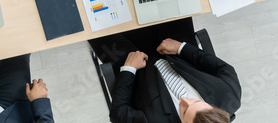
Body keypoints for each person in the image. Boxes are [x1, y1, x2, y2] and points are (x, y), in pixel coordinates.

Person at [89, 22, 239, 123]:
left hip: (135, 66)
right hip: (178, 50)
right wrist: (182, 48)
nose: (185, 101)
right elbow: (224, 69)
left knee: (94, 23)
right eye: (197, 101)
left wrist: (129, 70)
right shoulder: (230, 97)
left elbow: (118, 114)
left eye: (185, 111)